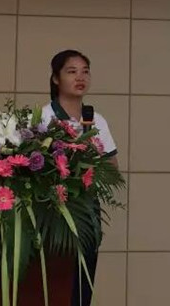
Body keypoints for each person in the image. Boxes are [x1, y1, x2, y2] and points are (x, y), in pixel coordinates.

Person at [42, 49, 118, 306]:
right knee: (53, 285)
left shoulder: (96, 120)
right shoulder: (44, 117)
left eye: (85, 71)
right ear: (56, 78)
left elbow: (112, 168)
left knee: (82, 287)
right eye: (72, 71)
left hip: (86, 210)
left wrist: (92, 161)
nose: (80, 77)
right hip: (52, 211)